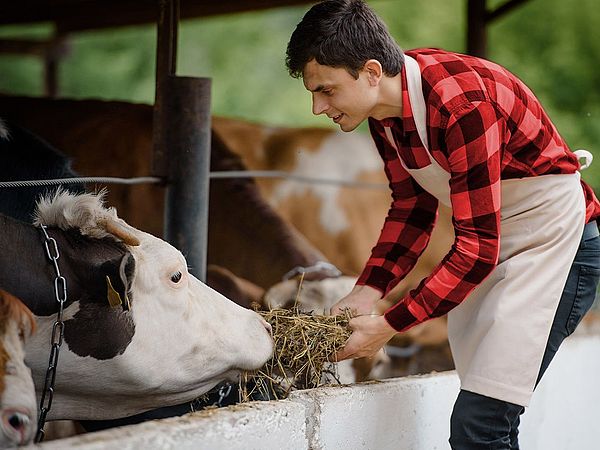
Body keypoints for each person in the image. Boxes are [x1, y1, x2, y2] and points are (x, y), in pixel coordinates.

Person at [285, 1, 600, 448]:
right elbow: (412, 207)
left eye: (327, 90)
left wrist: (387, 325)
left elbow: (476, 247)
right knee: (490, 424)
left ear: (372, 72)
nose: (318, 107)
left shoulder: (462, 103)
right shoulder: (382, 115)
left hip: (556, 251)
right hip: (496, 249)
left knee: (480, 426)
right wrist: (365, 291)